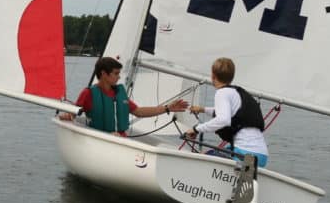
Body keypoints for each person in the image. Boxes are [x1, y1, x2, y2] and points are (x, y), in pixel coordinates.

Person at [59, 56, 188, 135]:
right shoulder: (88, 93)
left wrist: (167, 108)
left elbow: (139, 111)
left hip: (120, 139)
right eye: (115, 73)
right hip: (99, 139)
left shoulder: (119, 93)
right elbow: (74, 112)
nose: (119, 76)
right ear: (104, 74)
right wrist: (67, 115)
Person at [184, 57, 268, 166]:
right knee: (213, 153)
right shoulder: (237, 92)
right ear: (231, 77)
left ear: (213, 76)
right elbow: (229, 114)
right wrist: (202, 109)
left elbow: (223, 119)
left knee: (201, 159)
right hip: (261, 157)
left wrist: (196, 129)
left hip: (244, 155)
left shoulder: (222, 93)